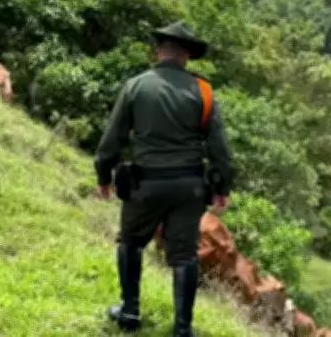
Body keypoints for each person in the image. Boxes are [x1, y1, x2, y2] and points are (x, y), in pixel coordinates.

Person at [94, 21, 234, 337]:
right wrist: (222, 187)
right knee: (184, 256)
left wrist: (104, 176)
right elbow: (219, 149)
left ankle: (129, 312)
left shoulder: (136, 85)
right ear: (186, 56)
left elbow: (112, 138)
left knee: (130, 242)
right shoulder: (204, 92)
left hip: (144, 183)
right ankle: (182, 330)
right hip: (189, 187)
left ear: (159, 52)